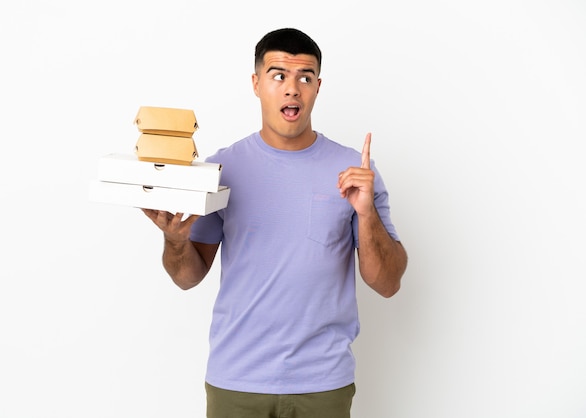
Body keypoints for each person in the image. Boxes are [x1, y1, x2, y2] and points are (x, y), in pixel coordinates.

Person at [142, 27, 408, 418]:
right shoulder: (222, 168)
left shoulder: (354, 172)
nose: (292, 89)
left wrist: (366, 216)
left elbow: (388, 283)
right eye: (278, 75)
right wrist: (176, 240)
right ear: (256, 84)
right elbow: (186, 277)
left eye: (305, 77)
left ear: (318, 86)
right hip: (237, 382)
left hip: (323, 384)